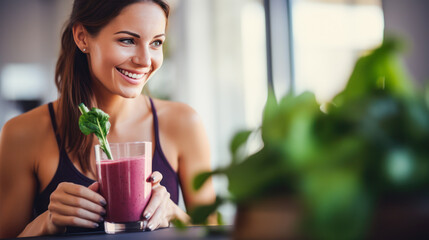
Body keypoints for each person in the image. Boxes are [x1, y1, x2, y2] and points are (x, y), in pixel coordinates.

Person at [0, 0, 216, 237]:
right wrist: (47, 221)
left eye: (156, 42)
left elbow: (213, 233)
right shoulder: (22, 133)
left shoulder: (183, 123)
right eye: (127, 40)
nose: (145, 60)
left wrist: (175, 215)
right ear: (82, 37)